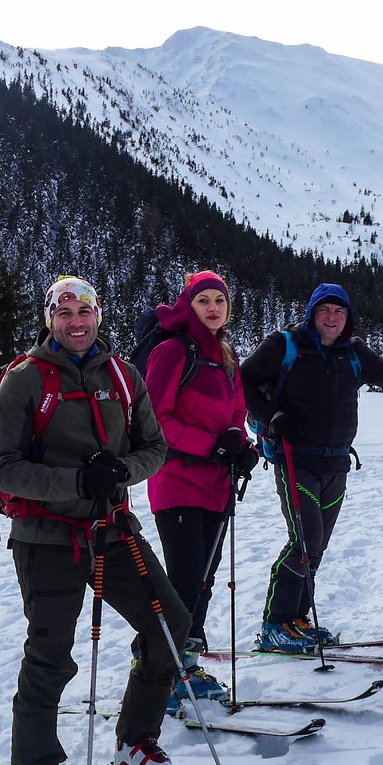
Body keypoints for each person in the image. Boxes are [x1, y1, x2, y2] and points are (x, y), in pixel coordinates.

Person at [0, 275, 194, 765]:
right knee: (51, 650)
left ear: (99, 314)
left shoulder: (123, 375)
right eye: (65, 312)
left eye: (85, 311)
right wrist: (76, 482)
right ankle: (32, 764)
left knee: (169, 622)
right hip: (46, 537)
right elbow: (3, 468)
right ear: (49, 318)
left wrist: (120, 471)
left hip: (112, 527)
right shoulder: (26, 379)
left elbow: (156, 446)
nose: (76, 321)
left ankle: (135, 740)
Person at [240, 283, 383, 652]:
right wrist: (271, 418)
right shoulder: (284, 346)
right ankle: (275, 624)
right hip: (295, 461)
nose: (332, 318)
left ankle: (297, 620)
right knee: (305, 541)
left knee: (316, 547)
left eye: (339, 312)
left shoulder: (354, 353)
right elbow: (243, 381)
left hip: (336, 464)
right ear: (312, 314)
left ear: (347, 318)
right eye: (325, 311)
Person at [130, 271, 259, 710]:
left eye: (219, 300)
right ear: (189, 304)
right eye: (203, 300)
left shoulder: (224, 354)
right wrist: (212, 446)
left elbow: (236, 411)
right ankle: (159, 668)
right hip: (177, 482)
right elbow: (156, 418)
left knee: (202, 581)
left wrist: (240, 445)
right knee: (183, 582)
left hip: (216, 484)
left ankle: (183, 661)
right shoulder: (171, 350)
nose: (212, 308)